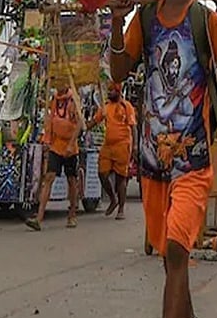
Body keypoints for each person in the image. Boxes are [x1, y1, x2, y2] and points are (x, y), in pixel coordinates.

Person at [109, 0, 217, 318]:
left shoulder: (206, 21)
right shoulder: (146, 19)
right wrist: (117, 21)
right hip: (152, 162)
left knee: (176, 248)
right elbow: (118, 71)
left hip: (193, 160)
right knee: (171, 258)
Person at [26, 85, 83, 231]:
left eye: (60, 82)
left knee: (71, 180)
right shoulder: (54, 101)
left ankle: (72, 215)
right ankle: (39, 218)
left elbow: (79, 124)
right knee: (49, 177)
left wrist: (71, 144)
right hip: (55, 146)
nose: (58, 85)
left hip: (70, 148)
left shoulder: (73, 101)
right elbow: (50, 120)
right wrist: (47, 140)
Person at [88, 82, 137, 220]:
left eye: (111, 91)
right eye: (108, 91)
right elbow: (94, 121)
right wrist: (83, 127)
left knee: (121, 179)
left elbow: (133, 127)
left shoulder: (126, 106)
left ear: (118, 92)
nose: (109, 94)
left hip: (123, 145)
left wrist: (134, 147)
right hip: (108, 146)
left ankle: (121, 209)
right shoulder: (105, 107)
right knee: (102, 173)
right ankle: (113, 199)